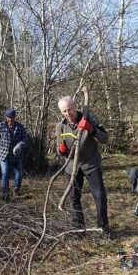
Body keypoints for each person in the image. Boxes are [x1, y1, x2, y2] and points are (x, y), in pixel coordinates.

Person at [55, 96, 110, 231]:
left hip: (91, 164)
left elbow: (105, 138)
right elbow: (59, 148)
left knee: (99, 195)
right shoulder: (60, 126)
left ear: (75, 107)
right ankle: (78, 228)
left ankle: (103, 227)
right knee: (74, 198)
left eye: (70, 109)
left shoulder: (89, 118)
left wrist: (91, 129)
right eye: (64, 111)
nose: (68, 114)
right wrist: (61, 150)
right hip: (71, 167)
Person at [0, 108, 29, 201]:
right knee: (5, 173)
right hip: (3, 154)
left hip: (16, 155)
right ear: (6, 118)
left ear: (15, 118)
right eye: (9, 118)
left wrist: (20, 145)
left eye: (12, 118)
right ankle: (5, 193)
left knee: (19, 173)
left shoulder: (20, 127)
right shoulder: (0, 126)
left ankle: (16, 189)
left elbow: (25, 139)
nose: (10, 120)